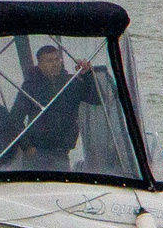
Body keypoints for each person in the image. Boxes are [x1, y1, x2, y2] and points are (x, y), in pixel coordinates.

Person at [9, 42, 101, 170]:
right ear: (40, 64)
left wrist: (87, 75)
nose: (55, 63)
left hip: (62, 151)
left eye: (57, 59)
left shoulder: (71, 83)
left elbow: (96, 99)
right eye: (49, 61)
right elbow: (14, 118)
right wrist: (27, 147)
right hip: (37, 152)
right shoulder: (31, 86)